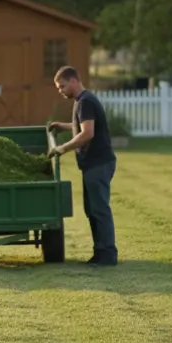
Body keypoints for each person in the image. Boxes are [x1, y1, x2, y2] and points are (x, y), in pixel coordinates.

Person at [48, 66, 118, 266]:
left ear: (73, 81)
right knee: (92, 209)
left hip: (98, 163)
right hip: (92, 164)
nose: (60, 90)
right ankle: (100, 252)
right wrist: (62, 125)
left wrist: (62, 148)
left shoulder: (85, 101)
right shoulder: (83, 101)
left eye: (62, 86)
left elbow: (88, 133)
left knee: (99, 209)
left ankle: (107, 255)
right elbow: (82, 125)